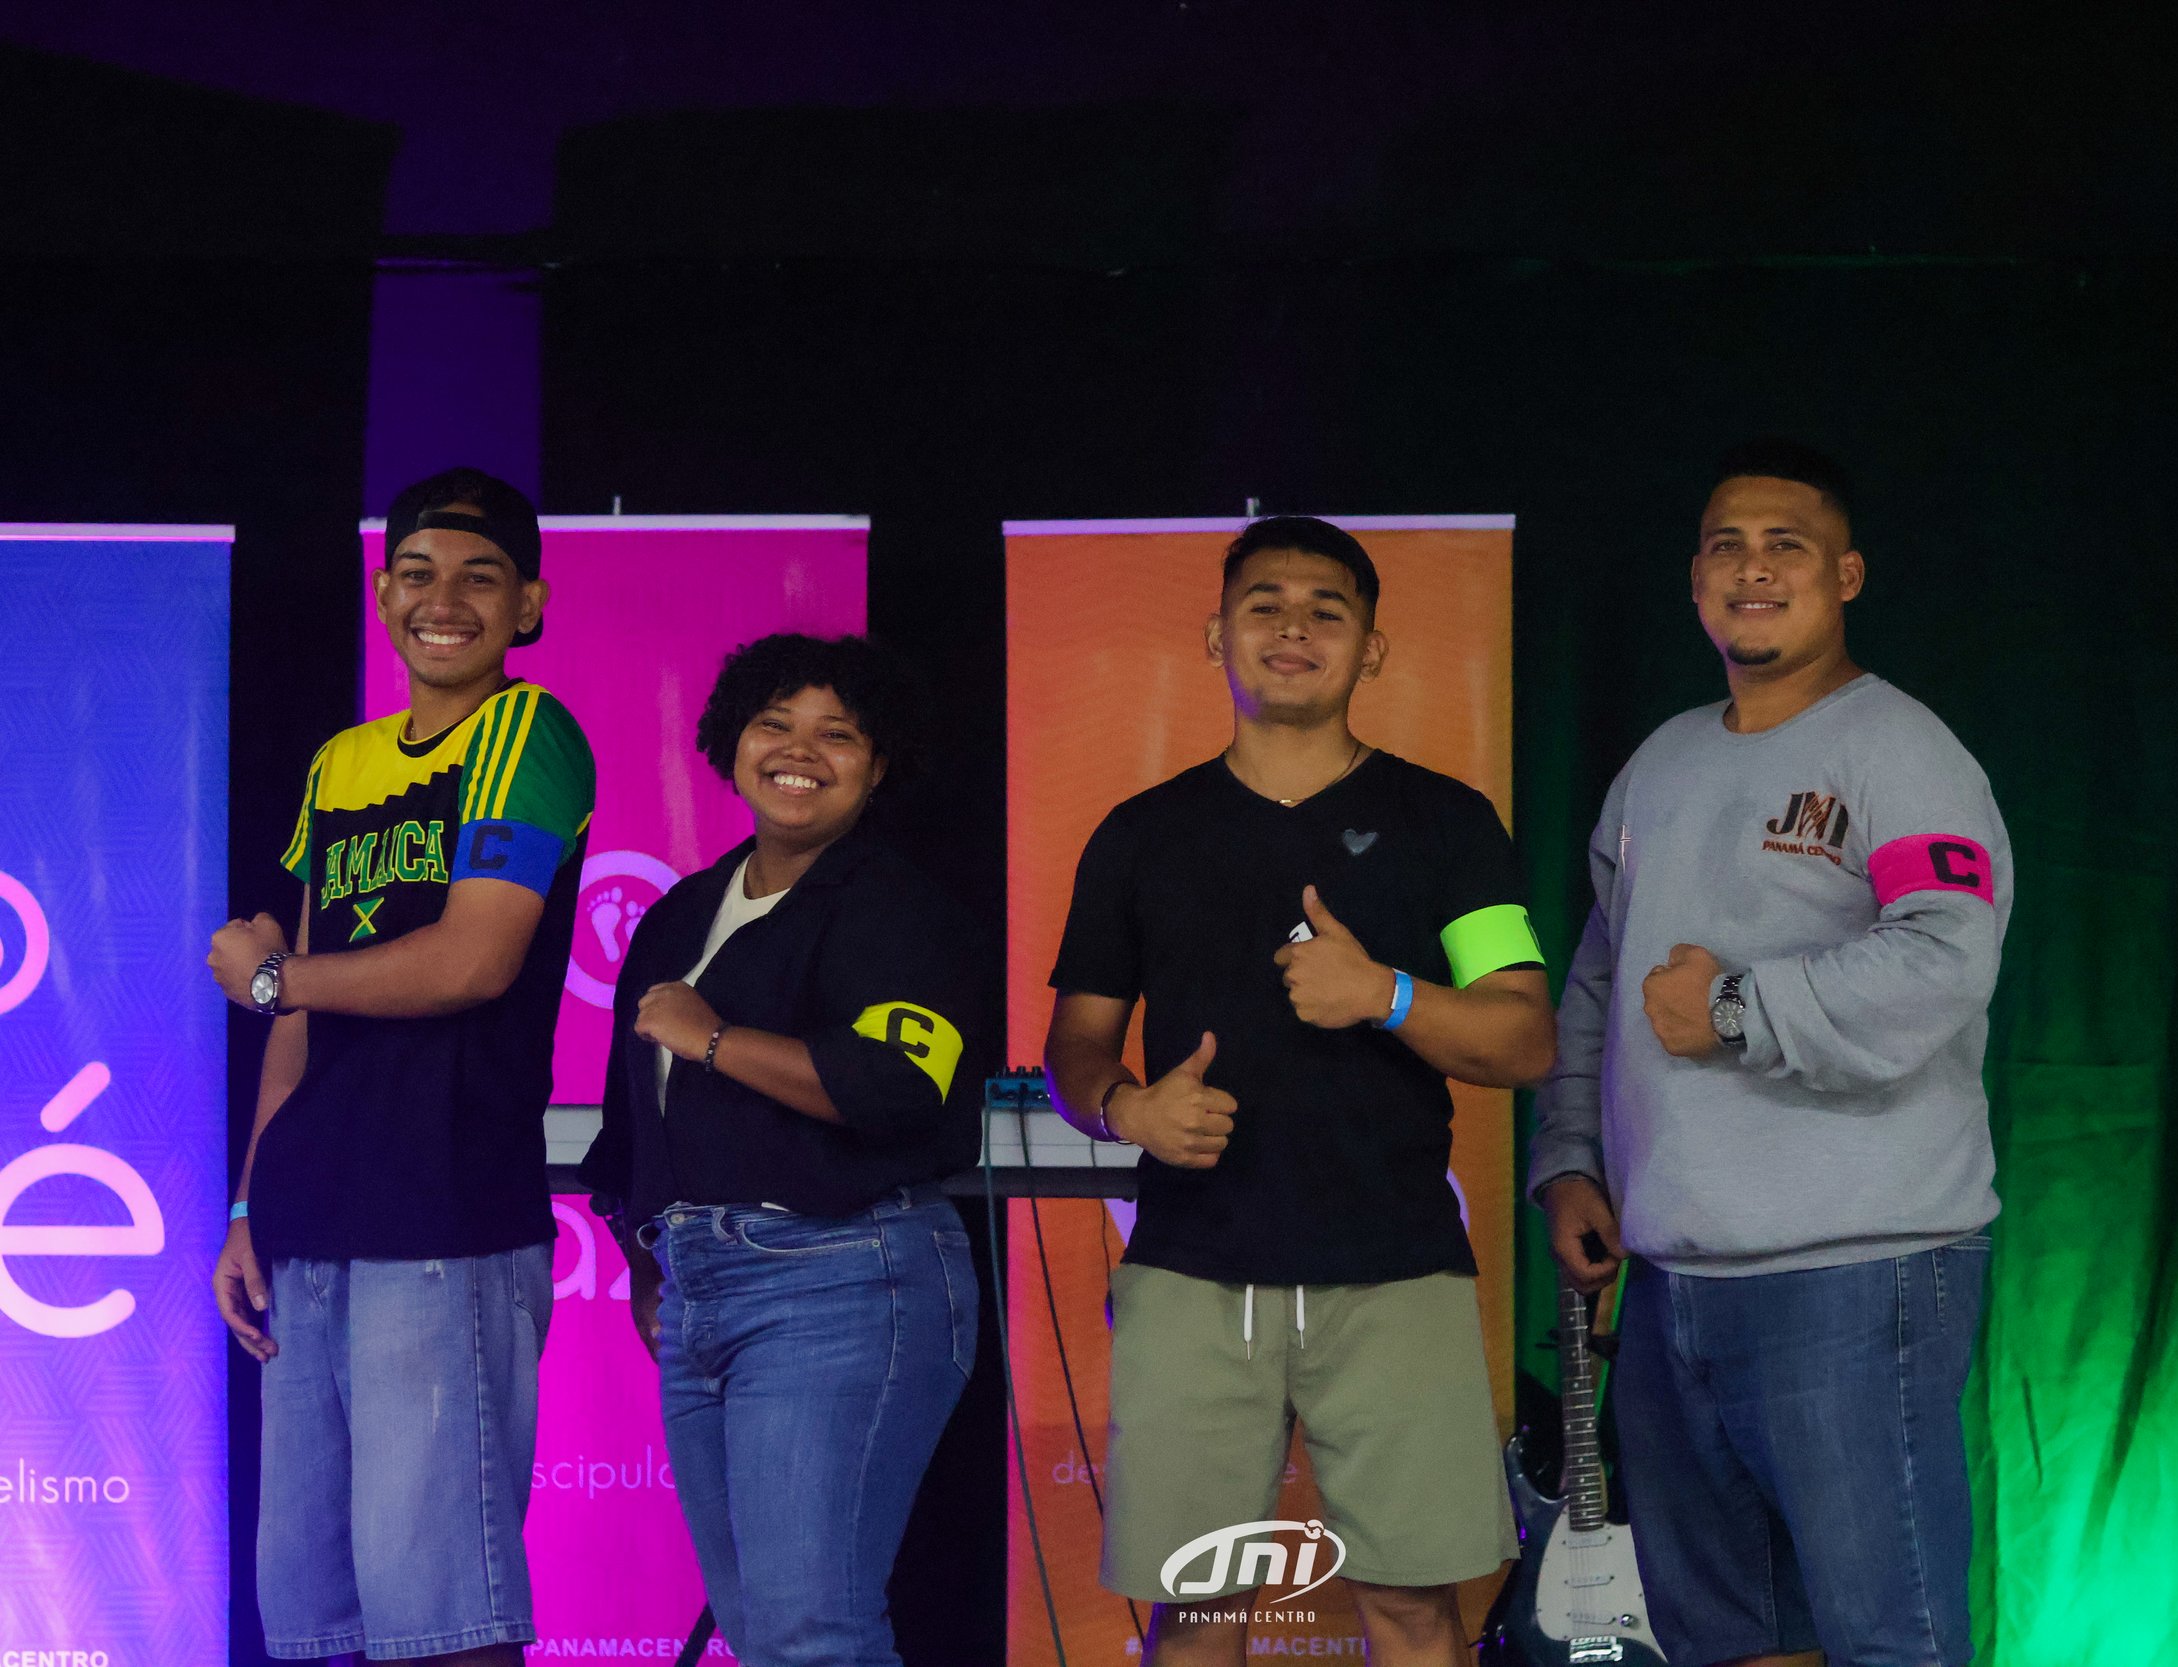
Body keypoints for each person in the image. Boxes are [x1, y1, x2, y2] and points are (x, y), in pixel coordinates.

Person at [1529, 439, 2012, 1667]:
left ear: (1845, 575)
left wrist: (1738, 1007)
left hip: (1856, 1271)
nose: (1752, 568)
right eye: (1725, 546)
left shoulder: (1898, 748)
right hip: (1673, 1280)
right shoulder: (1659, 763)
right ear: (1695, 579)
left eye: (1784, 545)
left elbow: (1945, 954)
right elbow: (1598, 981)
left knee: (1886, 1638)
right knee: (1731, 1640)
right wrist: (1571, 1156)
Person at [1044, 516, 1557, 1667]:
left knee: (1416, 1609)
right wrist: (1127, 1108)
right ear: (1214, 633)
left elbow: (1523, 1035)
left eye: (1327, 608)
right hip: (1192, 1268)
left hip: (1395, 1268)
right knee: (1197, 1611)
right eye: (1264, 604)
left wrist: (1384, 993)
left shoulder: (1447, 821)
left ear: (1371, 647)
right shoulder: (1140, 832)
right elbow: (1074, 1045)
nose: (1293, 627)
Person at [207, 467, 594, 1666]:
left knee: (443, 1621)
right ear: (382, 595)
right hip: (310, 1217)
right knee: (314, 1619)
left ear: (528, 604)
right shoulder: (341, 761)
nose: (445, 600)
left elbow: (472, 959)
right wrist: (247, 1205)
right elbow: (298, 1015)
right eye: (418, 573)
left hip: (441, 1212)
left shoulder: (529, 732)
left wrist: (274, 978)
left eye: (481, 576)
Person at [578, 632, 981, 1667]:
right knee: (762, 1635)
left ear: (878, 764)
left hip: (847, 1274)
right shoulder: (680, 914)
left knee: (812, 1632)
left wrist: (715, 1037)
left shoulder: (898, 906)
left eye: (837, 734)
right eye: (775, 724)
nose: (800, 750)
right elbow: (631, 1127)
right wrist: (645, 1260)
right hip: (701, 1289)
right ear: (732, 743)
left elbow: (896, 1085)